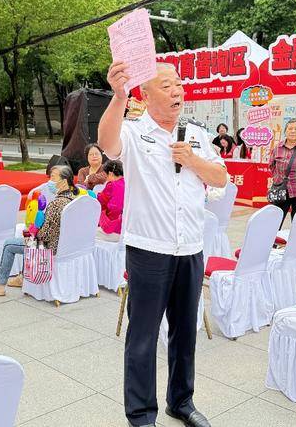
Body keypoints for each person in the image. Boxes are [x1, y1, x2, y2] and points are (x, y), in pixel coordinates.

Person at [99, 61, 227, 427]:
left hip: (190, 249)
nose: (177, 91)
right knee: (142, 336)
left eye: (179, 84)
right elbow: (107, 143)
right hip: (148, 250)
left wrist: (193, 160)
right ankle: (141, 414)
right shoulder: (135, 132)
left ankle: (181, 402)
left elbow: (221, 177)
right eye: (167, 85)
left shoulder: (196, 135)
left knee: (185, 332)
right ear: (145, 94)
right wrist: (118, 96)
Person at [0, 165, 78, 296]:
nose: (50, 181)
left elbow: (44, 236)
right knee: (26, 235)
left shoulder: (56, 204)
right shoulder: (73, 199)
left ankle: (0, 286)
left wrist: (32, 234)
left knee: (9, 244)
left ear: (64, 181)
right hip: (63, 244)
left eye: (53, 177)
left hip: (47, 246)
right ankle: (22, 277)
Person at [97, 160, 125, 239]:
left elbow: (100, 202)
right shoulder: (129, 183)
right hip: (127, 229)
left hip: (114, 229)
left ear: (110, 174)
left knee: (88, 234)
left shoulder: (112, 185)